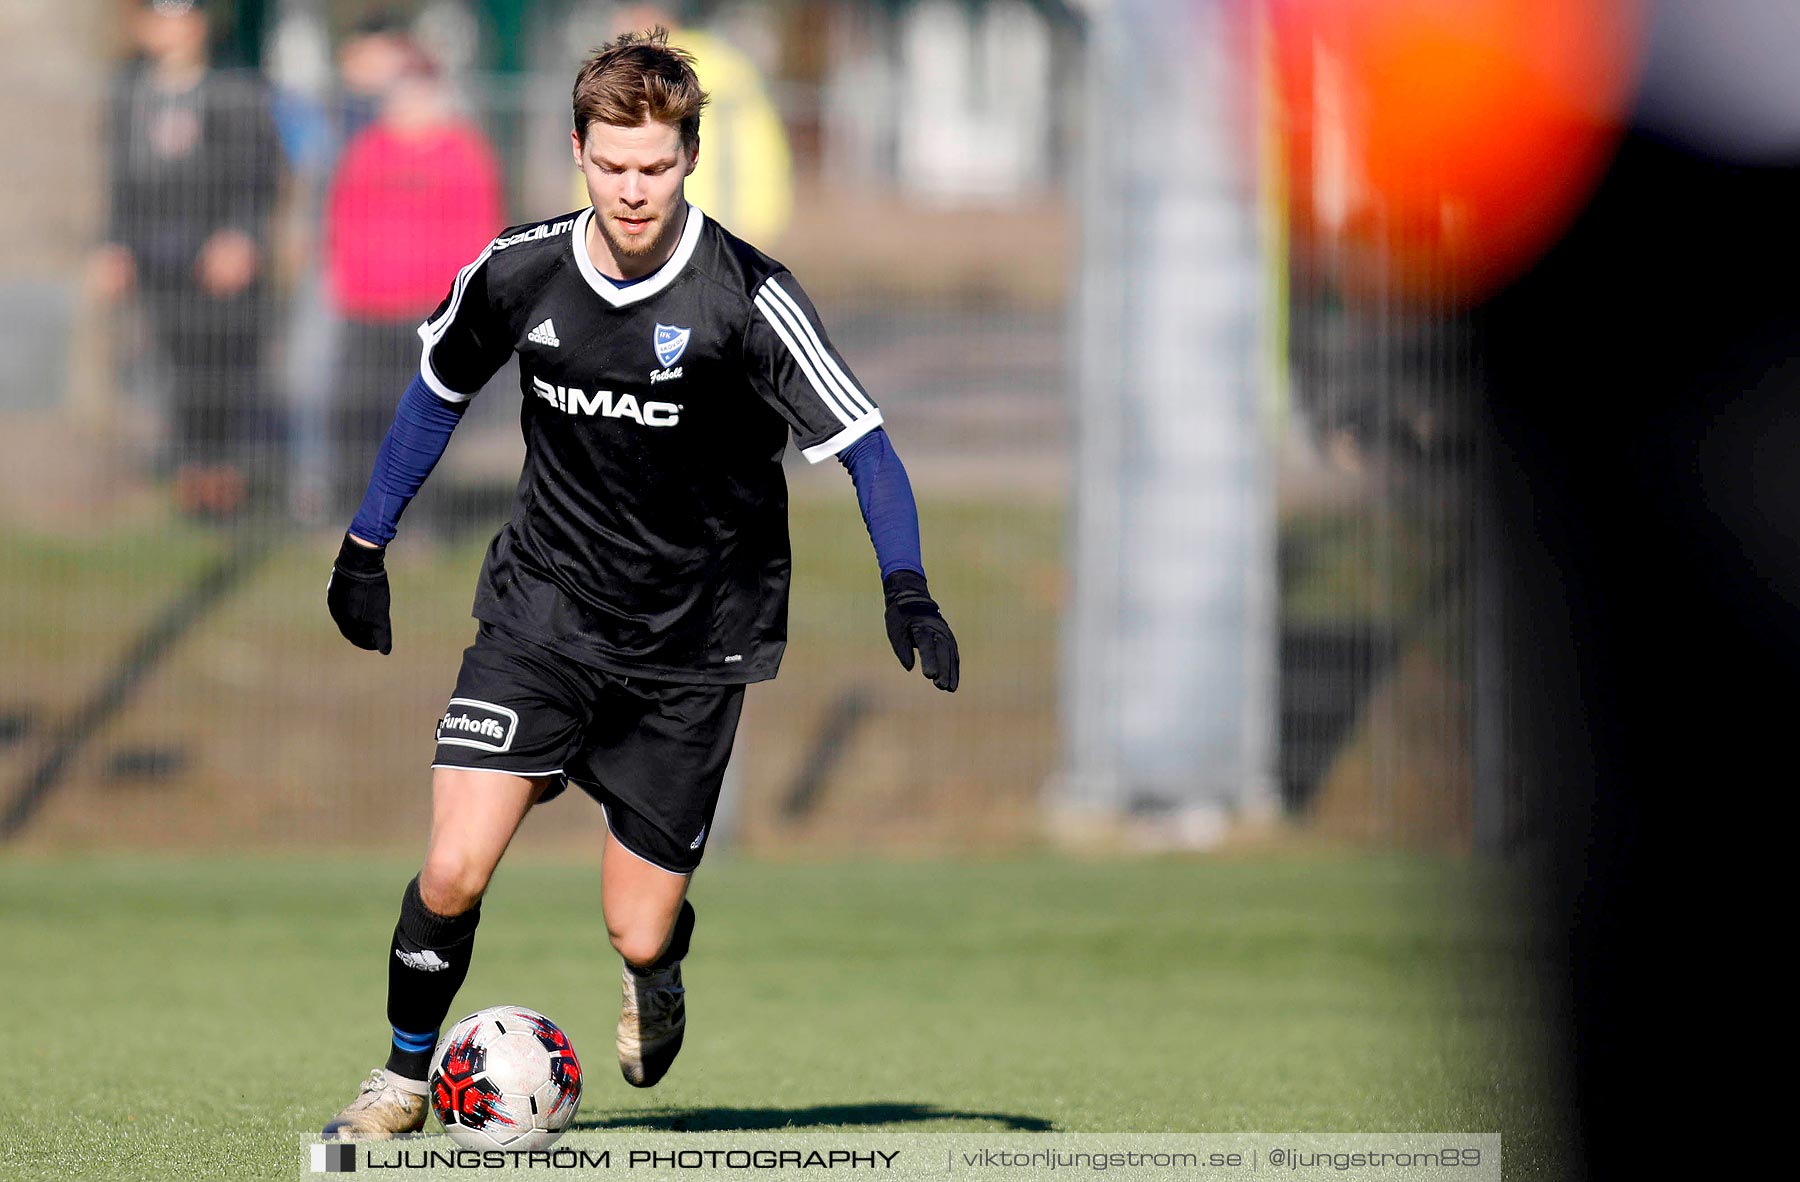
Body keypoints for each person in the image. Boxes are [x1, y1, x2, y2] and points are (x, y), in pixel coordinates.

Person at [318, 29, 959, 1139]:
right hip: (542, 610)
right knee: (455, 865)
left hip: (693, 639)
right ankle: (401, 1078)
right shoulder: (519, 268)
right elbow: (434, 393)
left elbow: (865, 445)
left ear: (688, 159)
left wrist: (906, 584)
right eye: (611, 164)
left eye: (654, 167)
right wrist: (365, 545)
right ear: (577, 150)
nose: (632, 189)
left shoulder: (748, 299)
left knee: (638, 928)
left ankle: (657, 975)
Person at [92, 0, 284, 519]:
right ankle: (190, 483)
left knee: (221, 369)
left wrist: (240, 237)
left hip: (217, 260)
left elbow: (259, 172)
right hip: (159, 258)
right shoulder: (131, 90)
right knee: (176, 371)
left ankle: (223, 486)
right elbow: (120, 180)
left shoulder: (233, 90)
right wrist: (115, 244)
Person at [324, 44, 502, 519]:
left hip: (430, 312)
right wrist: (348, 283)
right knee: (361, 415)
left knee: (426, 419)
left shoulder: (463, 154)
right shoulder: (367, 151)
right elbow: (343, 220)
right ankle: (354, 511)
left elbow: (478, 233)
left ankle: (422, 520)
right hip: (368, 309)